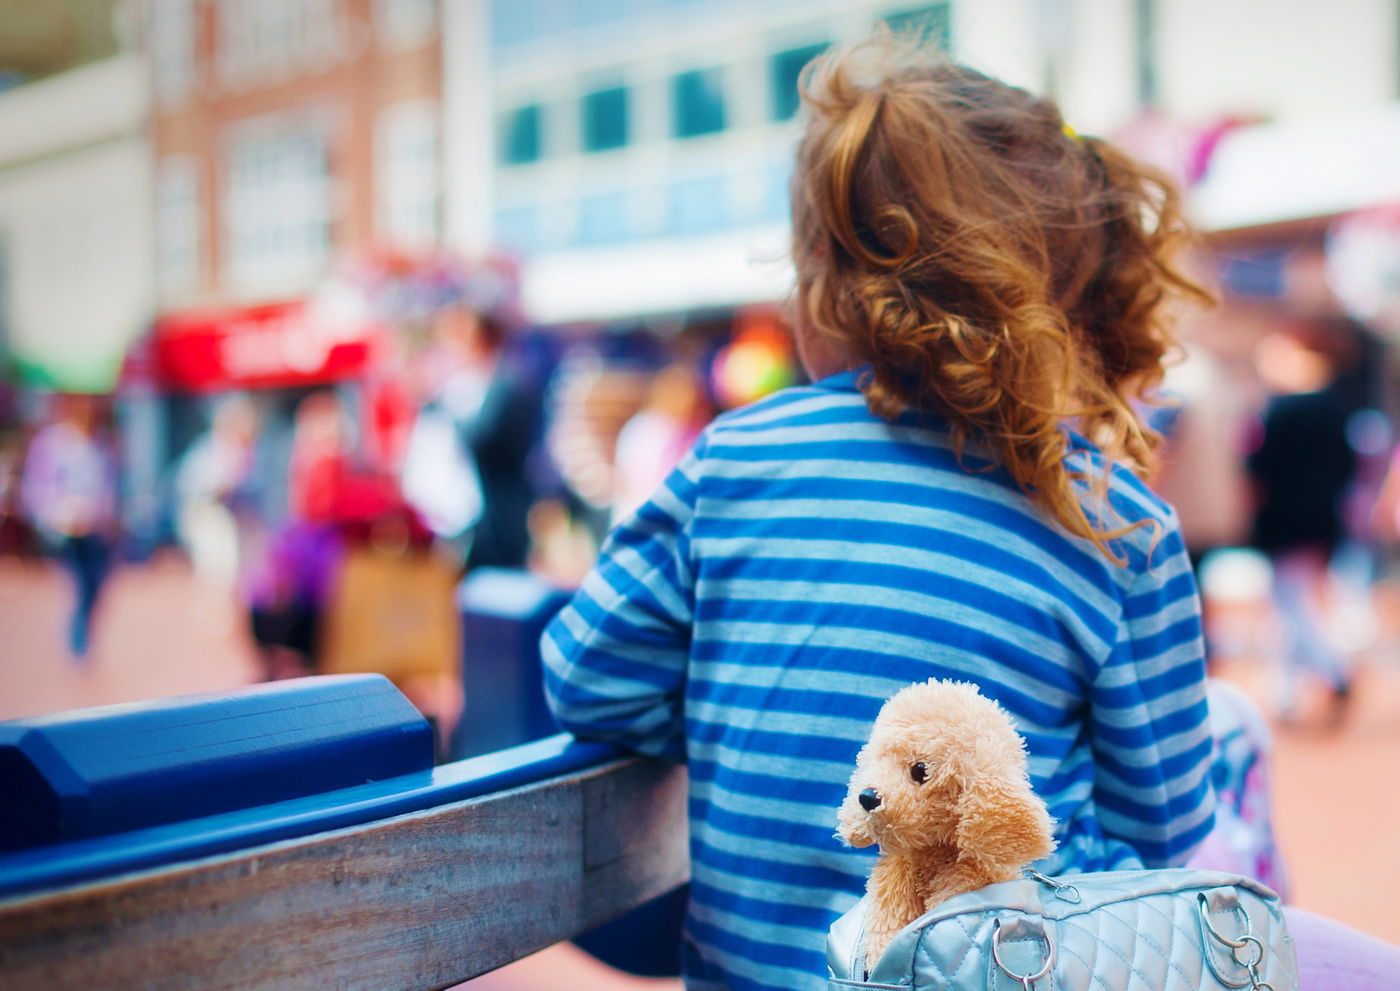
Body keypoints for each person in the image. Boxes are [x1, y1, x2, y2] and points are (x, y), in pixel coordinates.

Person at [539, 37, 1400, 991]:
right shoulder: (1113, 521)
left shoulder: (734, 458)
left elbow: (587, 677)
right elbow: (1163, 822)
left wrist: (749, 719)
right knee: (1233, 752)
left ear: (825, 277)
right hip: (1012, 973)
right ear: (1066, 289)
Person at [20, 394, 118, 658]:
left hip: (95, 526)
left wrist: (106, 513)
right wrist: (54, 513)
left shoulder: (100, 442)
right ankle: (78, 644)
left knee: (97, 584)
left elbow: (109, 483)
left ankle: (84, 635)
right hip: (65, 528)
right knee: (79, 584)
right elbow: (36, 487)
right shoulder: (52, 443)